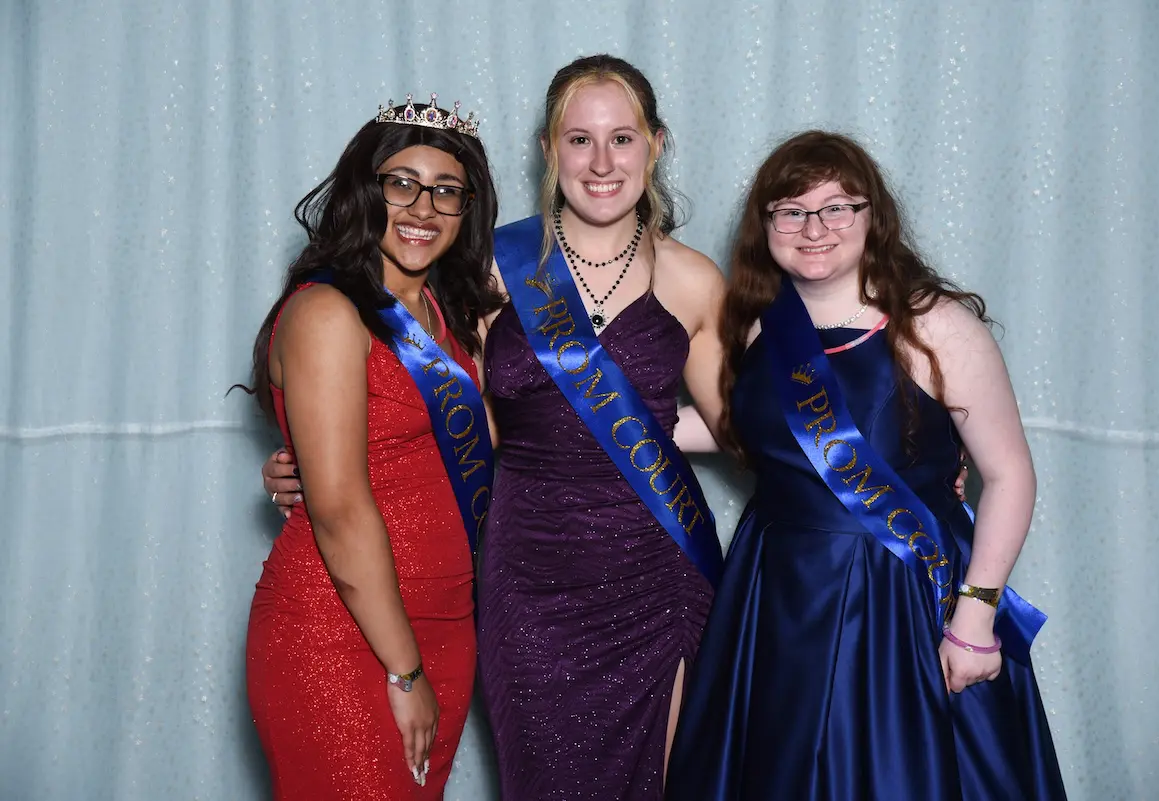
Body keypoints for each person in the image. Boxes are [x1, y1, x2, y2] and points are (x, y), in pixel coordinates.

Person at [264, 55, 727, 800]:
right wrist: (302, 464)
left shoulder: (695, 279)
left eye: (623, 138)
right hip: (528, 580)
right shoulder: (487, 273)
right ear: (549, 149)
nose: (602, 162)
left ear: (656, 144)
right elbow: (429, 415)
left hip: (655, 575)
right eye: (579, 139)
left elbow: (751, 425)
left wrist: (917, 451)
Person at [663, 130, 1067, 801]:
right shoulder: (763, 325)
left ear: (871, 215)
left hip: (898, 592)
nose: (814, 227)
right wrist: (603, 432)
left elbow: (1009, 475)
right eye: (791, 211)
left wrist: (976, 615)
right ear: (765, 226)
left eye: (836, 207)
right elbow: (746, 430)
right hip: (775, 586)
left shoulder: (933, 327)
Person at [242, 94, 503, 800]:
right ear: (366, 188)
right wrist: (405, 670)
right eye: (402, 183)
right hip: (345, 633)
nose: (423, 207)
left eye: (446, 190)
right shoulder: (329, 311)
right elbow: (341, 510)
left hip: (448, 625)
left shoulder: (454, 312)